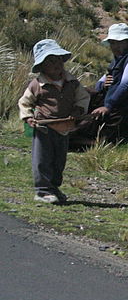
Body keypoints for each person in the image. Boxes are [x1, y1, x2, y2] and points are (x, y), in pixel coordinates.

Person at [18, 39, 90, 204]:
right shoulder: (37, 85)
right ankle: (42, 191)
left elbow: (83, 98)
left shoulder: (72, 83)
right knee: (43, 159)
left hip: (64, 127)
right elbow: (25, 102)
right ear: (42, 66)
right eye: (50, 61)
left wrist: (78, 110)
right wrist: (28, 117)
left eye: (58, 59)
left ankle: (54, 188)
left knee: (59, 160)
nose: (56, 64)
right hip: (44, 127)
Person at [80, 23, 128, 142]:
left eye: (119, 42)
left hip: (122, 110)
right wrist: (104, 84)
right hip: (111, 105)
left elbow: (126, 85)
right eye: (112, 43)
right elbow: (99, 84)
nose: (114, 46)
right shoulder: (118, 59)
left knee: (87, 133)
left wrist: (108, 106)